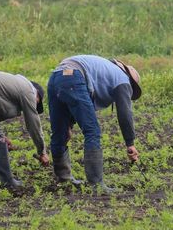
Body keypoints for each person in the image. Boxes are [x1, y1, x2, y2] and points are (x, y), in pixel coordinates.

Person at [47, 55, 141, 194]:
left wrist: (69, 125)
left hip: (56, 76)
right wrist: (130, 143)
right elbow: (125, 113)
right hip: (74, 77)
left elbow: (77, 102)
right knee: (92, 131)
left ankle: (64, 179)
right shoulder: (122, 79)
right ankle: (96, 184)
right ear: (131, 82)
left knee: (60, 131)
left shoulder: (104, 71)